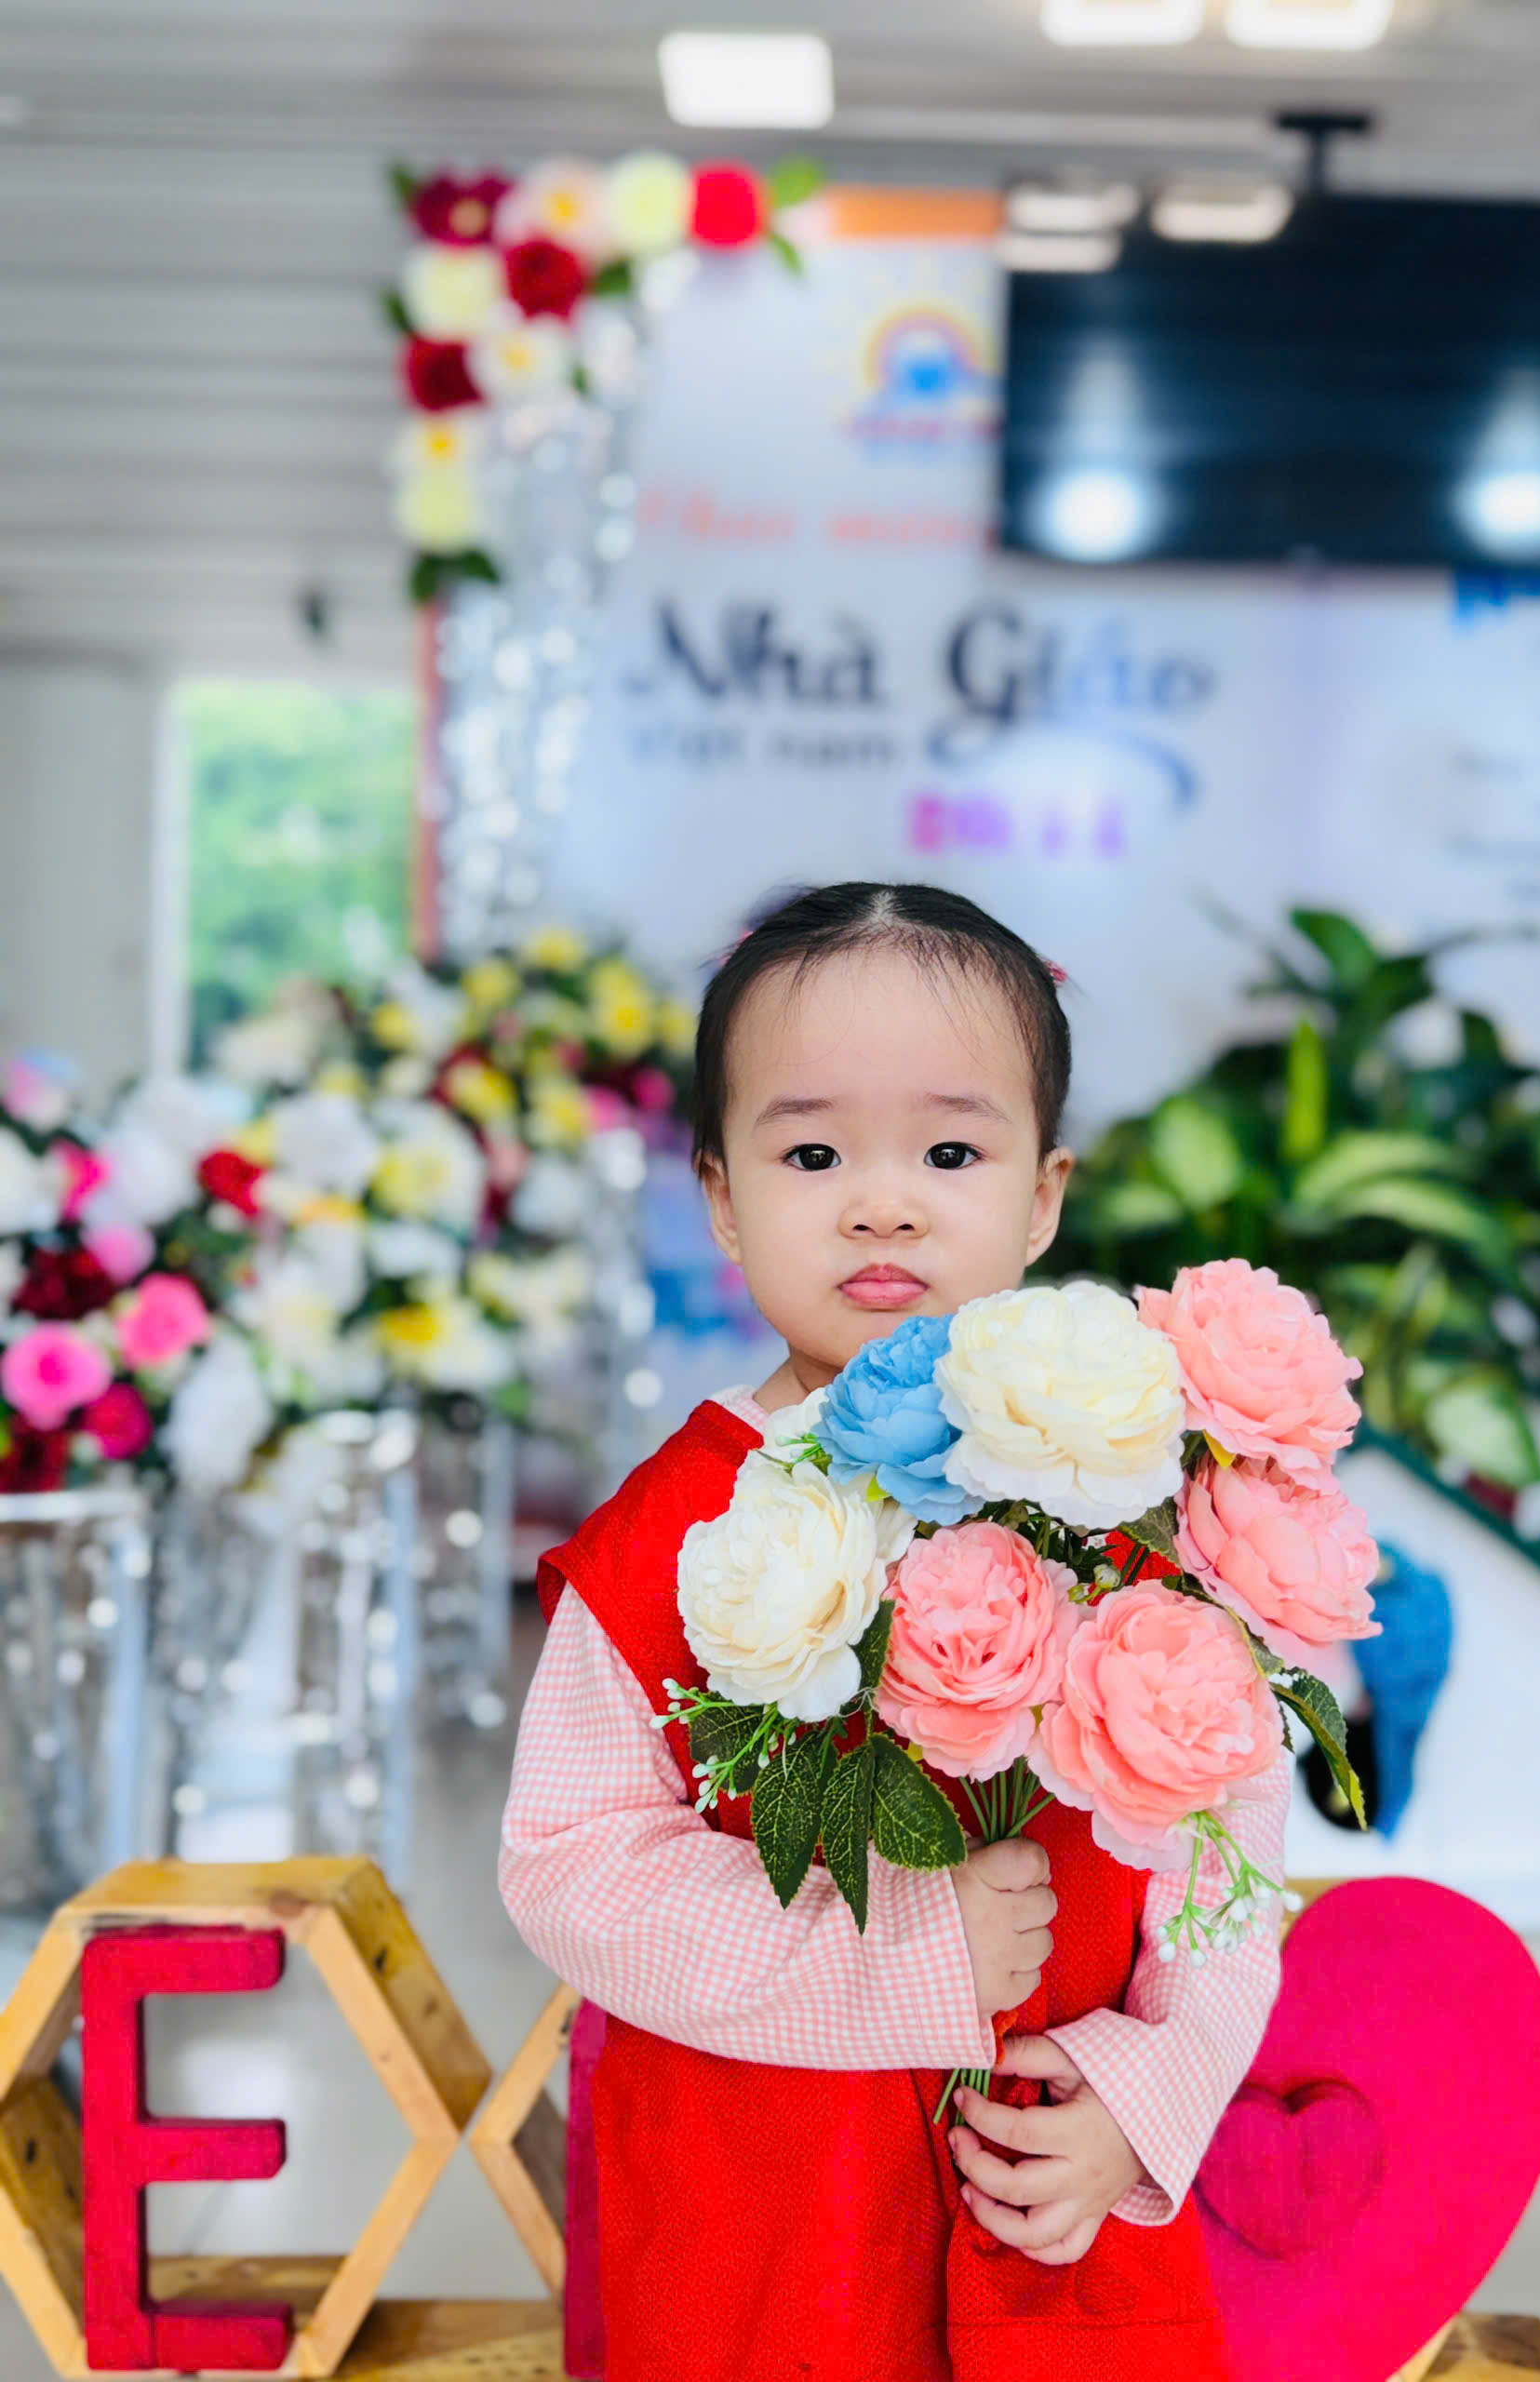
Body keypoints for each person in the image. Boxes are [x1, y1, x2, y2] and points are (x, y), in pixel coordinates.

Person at [499, 880, 1290, 2382]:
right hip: (770, 2242)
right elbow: (574, 1866)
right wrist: (904, 1954)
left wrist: (1150, 2089)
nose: (884, 1203)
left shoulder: (1118, 1508)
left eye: (949, 1152)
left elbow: (1225, 1852)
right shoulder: (664, 1535)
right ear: (722, 1195)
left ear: (1042, 1194)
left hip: (1052, 2213)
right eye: (812, 1154)